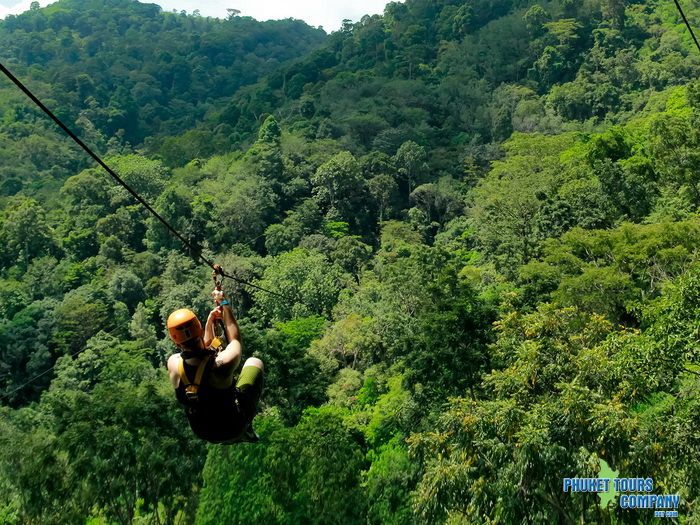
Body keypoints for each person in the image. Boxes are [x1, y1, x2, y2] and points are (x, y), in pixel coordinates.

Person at [166, 297, 263, 444]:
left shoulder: (173, 364)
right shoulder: (222, 364)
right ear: (198, 329)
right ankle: (247, 427)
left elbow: (199, 355)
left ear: (175, 341)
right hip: (234, 427)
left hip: (205, 433)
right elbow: (235, 339)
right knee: (255, 362)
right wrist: (224, 304)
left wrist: (210, 323)